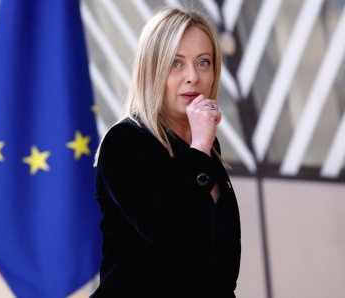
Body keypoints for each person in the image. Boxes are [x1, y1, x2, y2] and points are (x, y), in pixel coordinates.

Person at [91, 7, 241, 297]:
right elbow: (168, 230)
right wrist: (199, 149)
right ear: (152, 70)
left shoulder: (205, 145)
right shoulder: (124, 142)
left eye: (203, 62)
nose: (192, 77)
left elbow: (222, 257)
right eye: (175, 63)